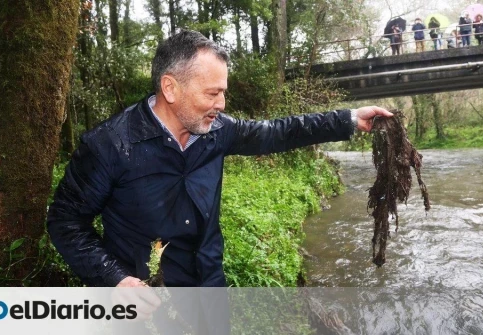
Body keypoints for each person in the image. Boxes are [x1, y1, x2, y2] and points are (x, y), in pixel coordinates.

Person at [46, 30, 393, 289]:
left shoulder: (217, 130)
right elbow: (65, 222)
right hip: (148, 302)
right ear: (170, 88)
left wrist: (348, 119)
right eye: (212, 93)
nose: (222, 104)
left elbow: (277, 132)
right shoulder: (109, 145)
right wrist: (115, 280)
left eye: (223, 92)